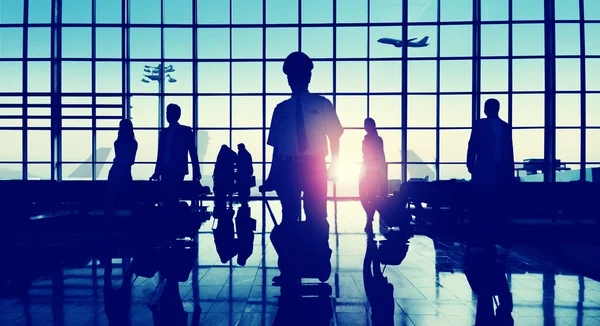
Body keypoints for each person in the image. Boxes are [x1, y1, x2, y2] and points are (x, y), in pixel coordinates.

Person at [262, 51, 343, 236]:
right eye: (292, 75)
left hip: (314, 166)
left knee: (317, 215)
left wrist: (334, 165)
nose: (295, 79)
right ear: (288, 79)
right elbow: (277, 148)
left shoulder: (322, 104)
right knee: (289, 214)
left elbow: (334, 136)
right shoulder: (280, 109)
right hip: (287, 167)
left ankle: (319, 255)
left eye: (299, 74)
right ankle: (294, 259)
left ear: (308, 77)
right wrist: (272, 176)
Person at [466, 98, 514, 248]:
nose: (485, 110)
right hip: (486, 168)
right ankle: (486, 233)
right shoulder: (482, 125)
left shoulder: (504, 127)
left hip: (497, 168)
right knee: (484, 200)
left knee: (493, 201)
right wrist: (470, 162)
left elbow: (509, 149)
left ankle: (490, 233)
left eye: (486, 107)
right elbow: (472, 145)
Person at [150, 103, 201, 202]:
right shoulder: (165, 132)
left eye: (169, 113)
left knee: (171, 196)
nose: (167, 116)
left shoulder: (184, 131)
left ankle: (171, 215)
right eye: (167, 113)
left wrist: (196, 170)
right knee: (170, 196)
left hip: (176, 169)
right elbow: (160, 154)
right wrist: (156, 171)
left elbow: (192, 152)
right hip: (169, 168)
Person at [105, 119, 138, 233]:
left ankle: (108, 225)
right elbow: (131, 160)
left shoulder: (117, 142)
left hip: (115, 171)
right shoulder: (133, 143)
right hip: (125, 172)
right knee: (130, 200)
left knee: (111, 200)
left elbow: (120, 157)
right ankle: (135, 225)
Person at [359, 118, 387, 234]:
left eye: (367, 125)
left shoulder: (377, 140)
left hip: (373, 171)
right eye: (365, 125)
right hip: (366, 170)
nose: (366, 127)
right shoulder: (365, 140)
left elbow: (380, 155)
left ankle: (369, 219)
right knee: (364, 196)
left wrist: (382, 172)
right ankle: (369, 217)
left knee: (370, 196)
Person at [213, 145, 236, 213]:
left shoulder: (220, 158)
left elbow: (217, 168)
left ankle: (221, 206)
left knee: (221, 194)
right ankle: (229, 204)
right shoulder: (230, 155)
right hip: (228, 177)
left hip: (220, 178)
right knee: (229, 191)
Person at [235, 143, 254, 207]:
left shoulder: (241, 154)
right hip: (246, 174)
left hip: (241, 174)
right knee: (245, 187)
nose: (238, 149)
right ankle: (244, 200)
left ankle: (243, 200)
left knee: (242, 188)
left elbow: (238, 164)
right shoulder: (247, 154)